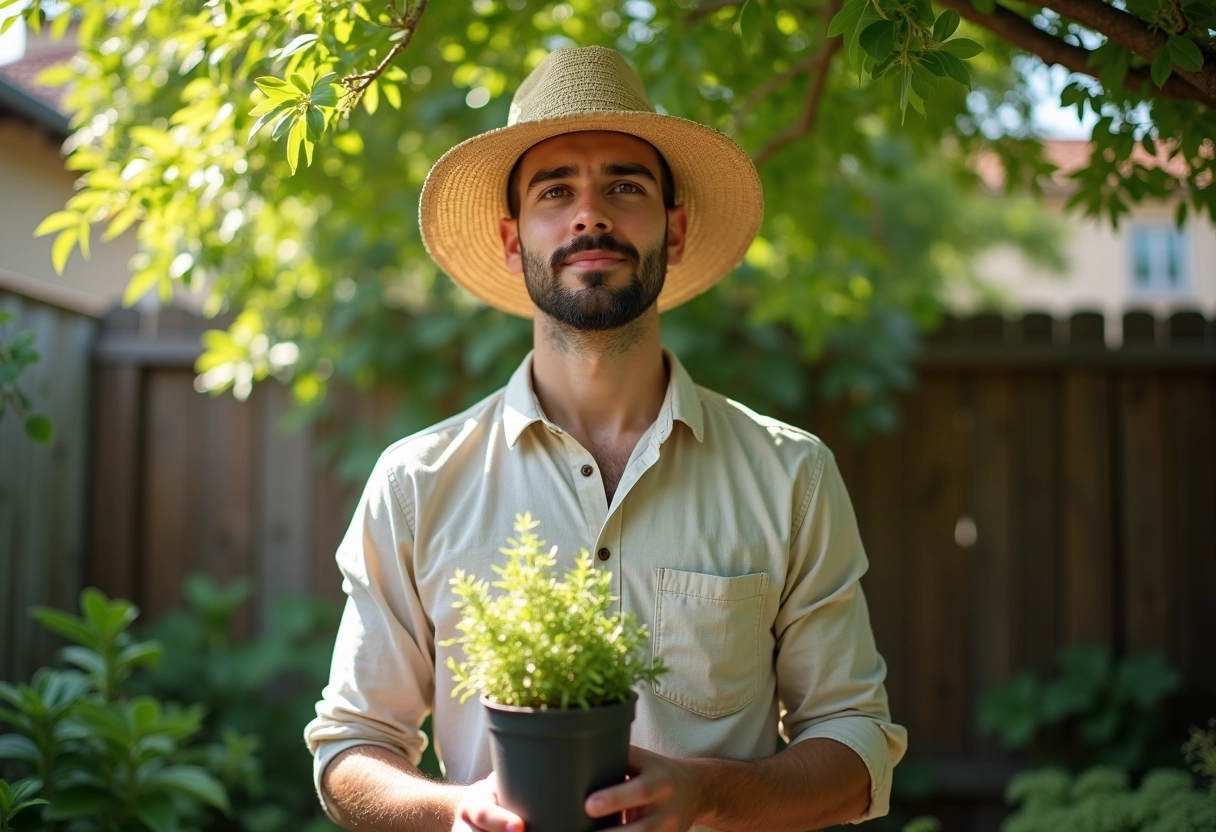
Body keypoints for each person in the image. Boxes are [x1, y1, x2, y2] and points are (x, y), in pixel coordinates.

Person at [304, 45, 907, 832]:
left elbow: (856, 746)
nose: (591, 213)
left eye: (625, 186)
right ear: (513, 240)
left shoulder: (790, 474)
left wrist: (707, 795)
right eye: (557, 191)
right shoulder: (416, 483)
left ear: (676, 229)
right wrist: (458, 812)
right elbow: (350, 750)